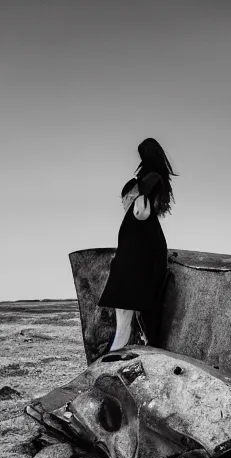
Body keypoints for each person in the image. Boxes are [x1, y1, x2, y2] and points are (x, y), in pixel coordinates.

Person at [97, 138, 177, 353]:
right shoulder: (155, 177)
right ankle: (136, 343)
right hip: (145, 241)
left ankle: (119, 347)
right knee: (137, 298)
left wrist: (137, 196)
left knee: (126, 295)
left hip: (138, 240)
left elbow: (141, 213)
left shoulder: (148, 178)